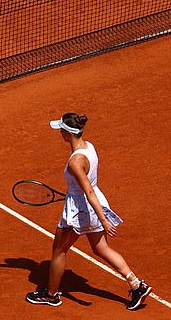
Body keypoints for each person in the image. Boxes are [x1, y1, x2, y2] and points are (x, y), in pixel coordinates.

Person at [25, 113, 152, 310]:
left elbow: (88, 191)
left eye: (61, 129)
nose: (59, 132)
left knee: (59, 250)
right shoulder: (89, 146)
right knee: (101, 248)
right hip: (92, 205)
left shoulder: (76, 162)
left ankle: (51, 295)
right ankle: (136, 285)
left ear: (68, 134)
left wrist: (104, 220)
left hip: (81, 211)